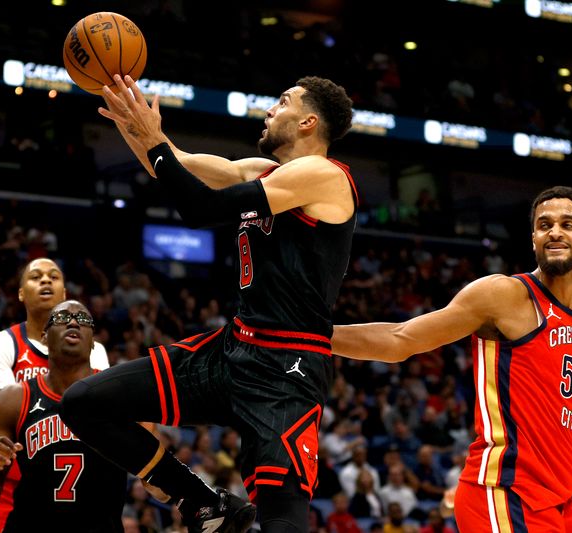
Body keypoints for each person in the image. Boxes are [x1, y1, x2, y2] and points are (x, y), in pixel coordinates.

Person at [60, 74, 357, 533]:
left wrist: (154, 140)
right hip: (232, 348)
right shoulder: (262, 171)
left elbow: (199, 208)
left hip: (286, 366)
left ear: (308, 122)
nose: (270, 108)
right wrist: (129, 117)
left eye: (282, 101)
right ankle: (201, 500)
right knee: (85, 402)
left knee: (282, 520)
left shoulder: (324, 175)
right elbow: (175, 165)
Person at [331, 186, 572, 532]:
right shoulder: (505, 295)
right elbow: (401, 339)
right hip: (505, 493)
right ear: (533, 238)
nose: (555, 232)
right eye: (544, 225)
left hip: (558, 501)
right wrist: (315, 335)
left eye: (568, 224)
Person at [0, 257, 109, 532]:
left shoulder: (95, 350)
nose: (46, 280)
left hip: (75, 478)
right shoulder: (0, 344)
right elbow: (7, 422)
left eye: (54, 276)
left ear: (64, 293)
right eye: (36, 277)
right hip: (11, 476)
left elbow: (99, 414)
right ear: (21, 293)